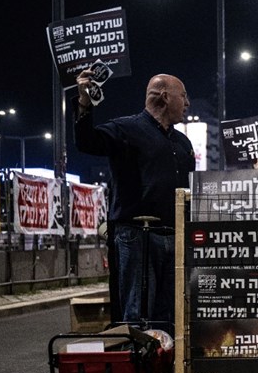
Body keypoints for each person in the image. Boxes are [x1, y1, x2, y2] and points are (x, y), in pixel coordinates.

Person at [74, 72, 194, 326]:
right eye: (183, 96)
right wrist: (84, 103)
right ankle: (137, 360)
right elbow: (87, 142)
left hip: (175, 236)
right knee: (137, 312)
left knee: (170, 314)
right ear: (164, 96)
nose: (187, 103)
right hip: (137, 236)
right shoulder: (126, 129)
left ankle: (164, 363)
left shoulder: (182, 143)